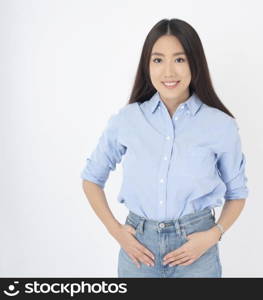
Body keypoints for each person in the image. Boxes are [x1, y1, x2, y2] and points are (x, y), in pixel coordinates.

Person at [80, 18, 249, 278]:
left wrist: (213, 236)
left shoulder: (221, 126)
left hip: (196, 251)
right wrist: (116, 232)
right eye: (158, 60)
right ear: (147, 66)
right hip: (138, 251)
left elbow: (237, 193)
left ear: (195, 63)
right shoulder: (128, 119)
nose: (168, 72)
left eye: (179, 60)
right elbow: (92, 179)